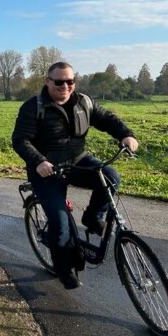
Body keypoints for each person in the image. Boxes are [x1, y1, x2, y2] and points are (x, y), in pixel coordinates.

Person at [12, 62, 138, 289]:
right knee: (60, 227)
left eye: (69, 81)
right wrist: (39, 161)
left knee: (111, 177)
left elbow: (107, 119)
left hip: (78, 161)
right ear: (47, 81)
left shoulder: (83, 102)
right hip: (47, 170)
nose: (65, 86)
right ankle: (63, 269)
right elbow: (21, 140)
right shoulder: (33, 107)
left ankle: (91, 217)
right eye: (59, 82)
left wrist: (126, 136)